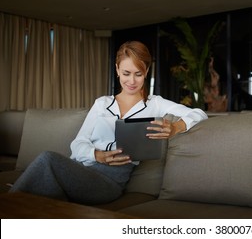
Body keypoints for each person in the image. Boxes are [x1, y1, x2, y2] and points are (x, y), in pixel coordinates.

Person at [9, 40, 207, 204]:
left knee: (47, 160)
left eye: (138, 74)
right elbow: (78, 144)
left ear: (146, 72)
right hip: (82, 169)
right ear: (117, 70)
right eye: (126, 73)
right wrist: (98, 155)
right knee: (42, 191)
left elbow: (199, 113)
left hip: (110, 182)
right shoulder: (102, 103)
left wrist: (176, 127)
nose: (131, 81)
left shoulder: (155, 103)